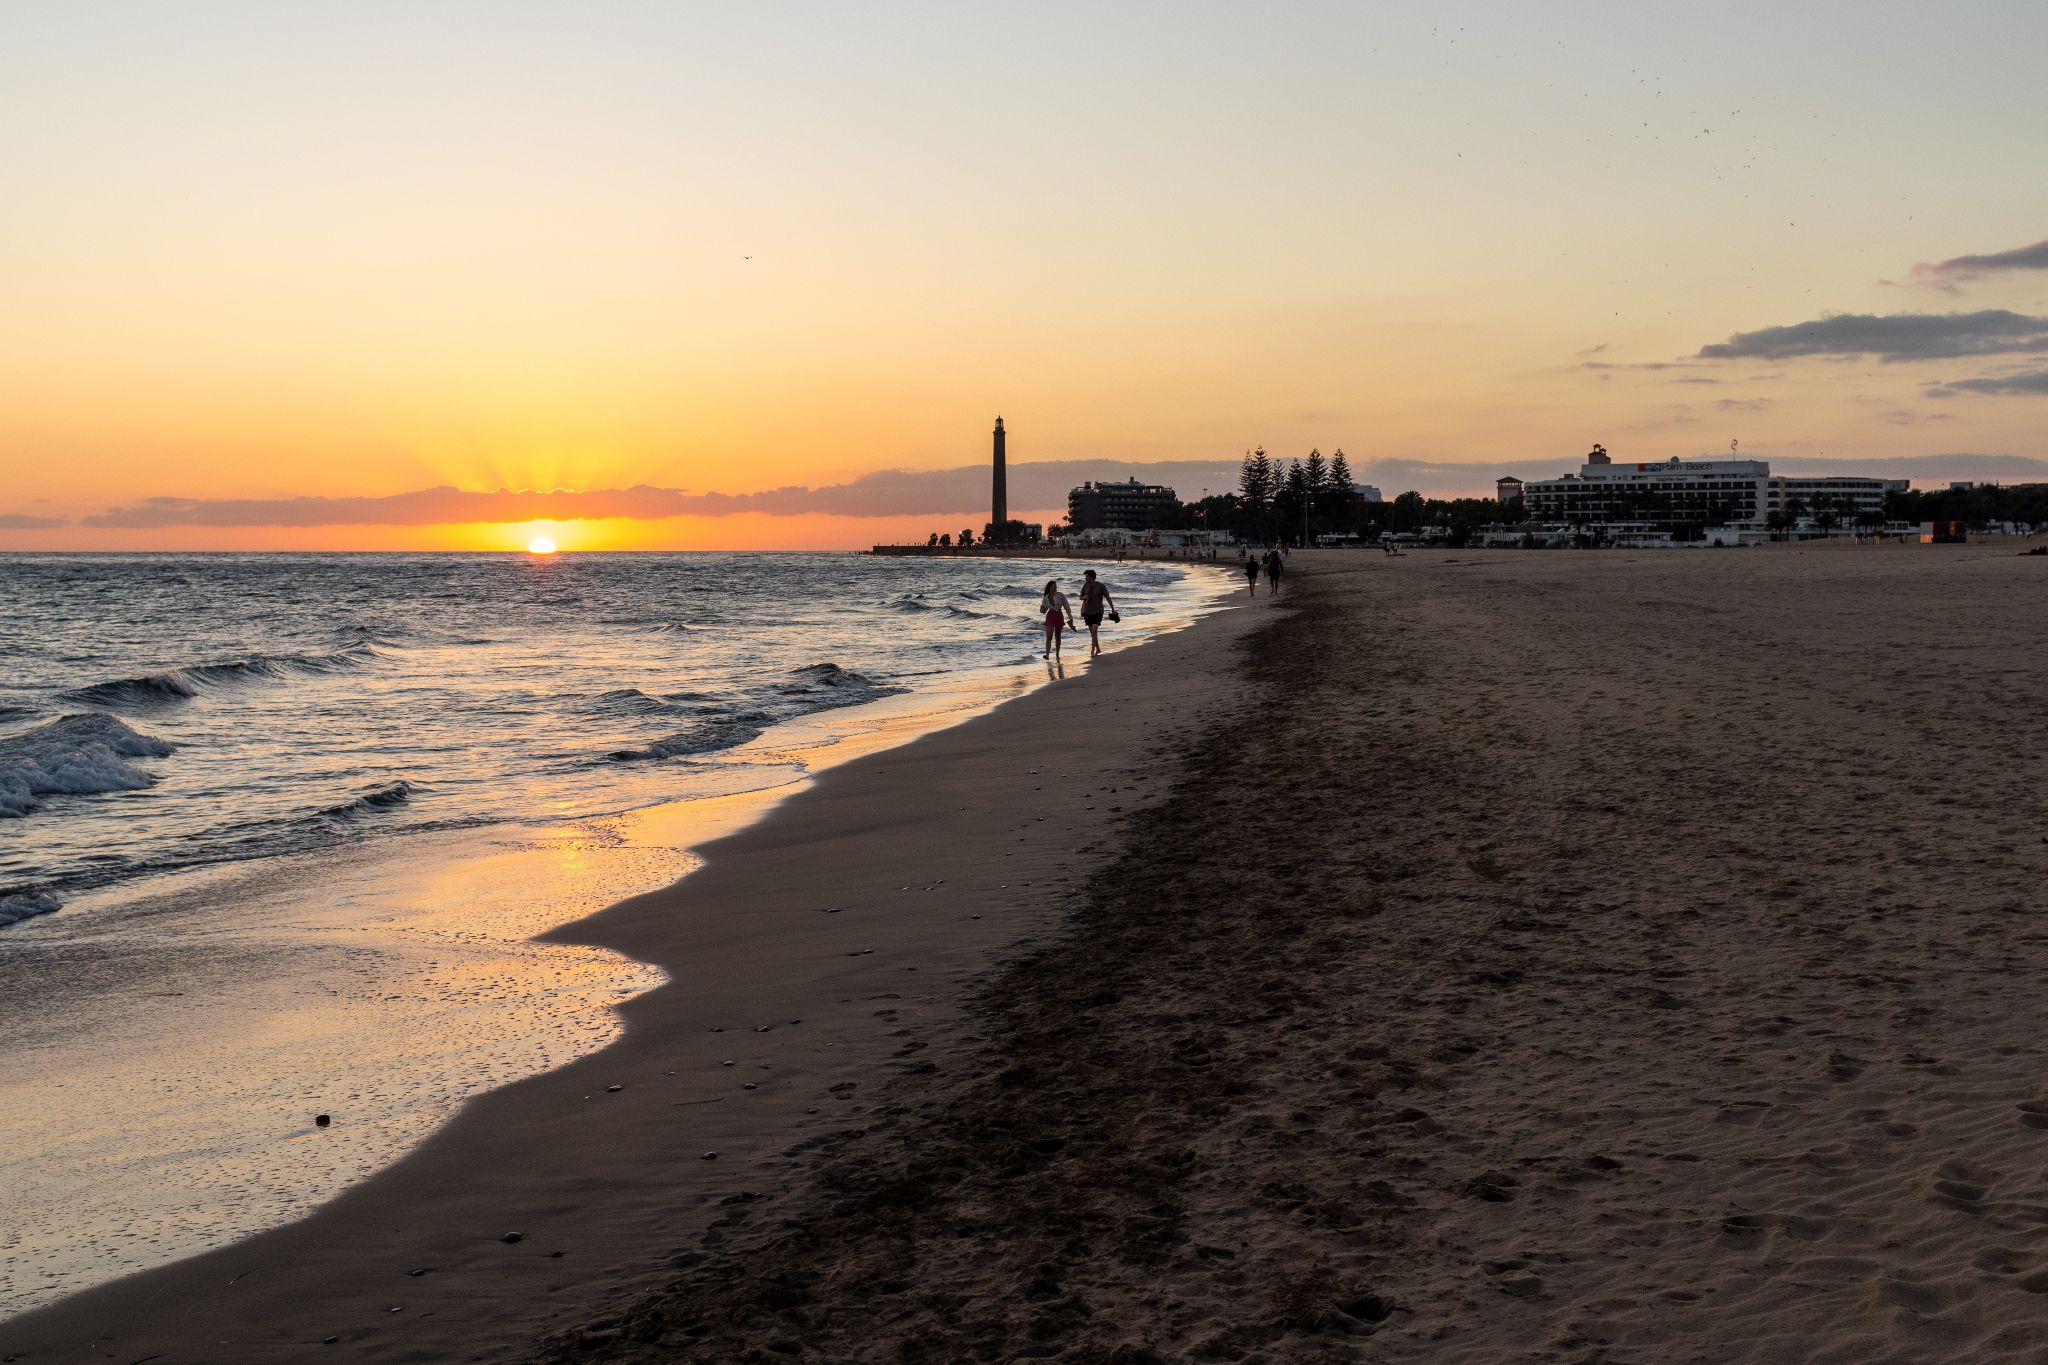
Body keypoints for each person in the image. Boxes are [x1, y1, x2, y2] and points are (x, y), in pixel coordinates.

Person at [1077, 568, 1117, 656]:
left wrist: (1113, 609)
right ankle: (1098, 648)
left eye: (1086, 577)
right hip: (1088, 611)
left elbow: (1107, 597)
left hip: (1098, 611)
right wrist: (1084, 598)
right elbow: (1080, 596)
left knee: (1094, 629)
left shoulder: (1101, 586)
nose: (1085, 578)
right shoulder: (1085, 585)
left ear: (1092, 577)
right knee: (1092, 633)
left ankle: (1092, 651)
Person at [1039, 579, 1074, 659]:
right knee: (1049, 636)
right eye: (1054, 586)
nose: (1055, 588)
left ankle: (1057, 654)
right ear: (1050, 587)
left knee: (1058, 636)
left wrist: (1070, 617)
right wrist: (1042, 608)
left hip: (1059, 615)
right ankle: (1047, 654)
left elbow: (1067, 606)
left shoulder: (1060, 595)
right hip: (1050, 615)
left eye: (1056, 586)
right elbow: (1044, 611)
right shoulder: (1046, 597)